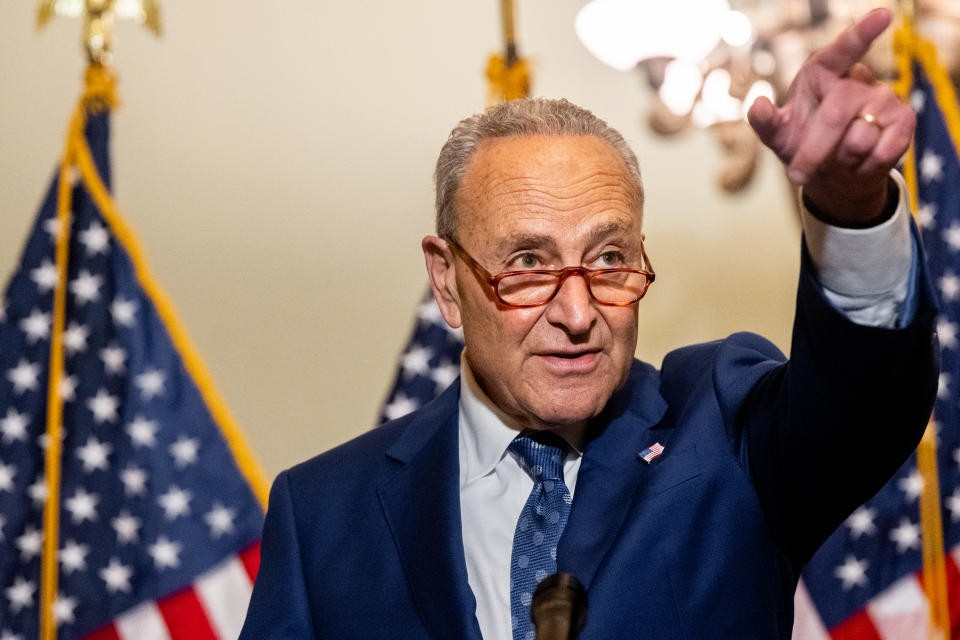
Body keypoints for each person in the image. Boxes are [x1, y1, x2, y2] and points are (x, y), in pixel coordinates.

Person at [240, 9, 938, 639]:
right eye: (527, 264)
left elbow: (861, 402)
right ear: (448, 284)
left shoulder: (723, 428)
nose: (578, 314)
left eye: (609, 258)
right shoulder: (323, 512)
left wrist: (850, 204)